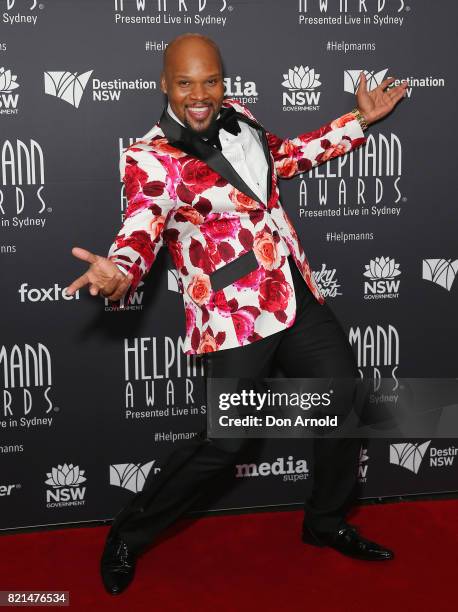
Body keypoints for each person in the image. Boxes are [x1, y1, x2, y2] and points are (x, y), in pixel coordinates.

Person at [66, 33, 408, 595]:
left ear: (224, 82)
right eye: (185, 84)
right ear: (164, 86)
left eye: (210, 81)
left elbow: (286, 157)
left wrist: (358, 121)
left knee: (345, 398)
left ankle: (324, 523)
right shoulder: (150, 158)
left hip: (293, 293)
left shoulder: (241, 117)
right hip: (232, 316)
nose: (199, 95)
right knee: (227, 444)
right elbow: (142, 227)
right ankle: (129, 534)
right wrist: (121, 272)